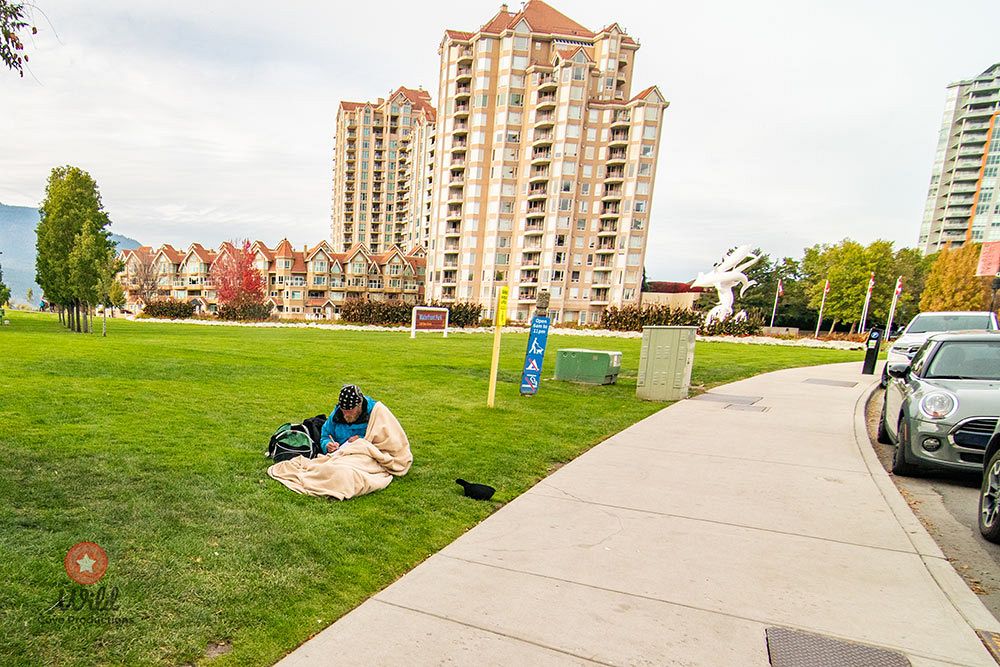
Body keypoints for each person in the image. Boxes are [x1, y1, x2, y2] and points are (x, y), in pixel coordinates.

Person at [320, 384, 377, 454]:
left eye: (350, 411)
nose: (345, 415)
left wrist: (362, 440)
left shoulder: (375, 412)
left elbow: (385, 441)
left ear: (359, 405)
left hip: (366, 456)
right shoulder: (336, 414)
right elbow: (325, 435)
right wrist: (327, 445)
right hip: (340, 456)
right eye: (343, 411)